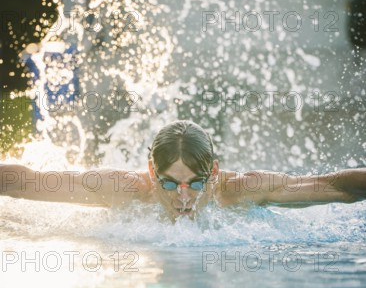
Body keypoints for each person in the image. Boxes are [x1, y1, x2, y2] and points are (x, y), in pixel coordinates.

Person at [0, 120, 365, 221]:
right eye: (170, 184)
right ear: (150, 171)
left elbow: (335, 186)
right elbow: (26, 182)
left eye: (197, 183)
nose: (184, 196)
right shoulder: (123, 189)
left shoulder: (239, 190)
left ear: (215, 172)